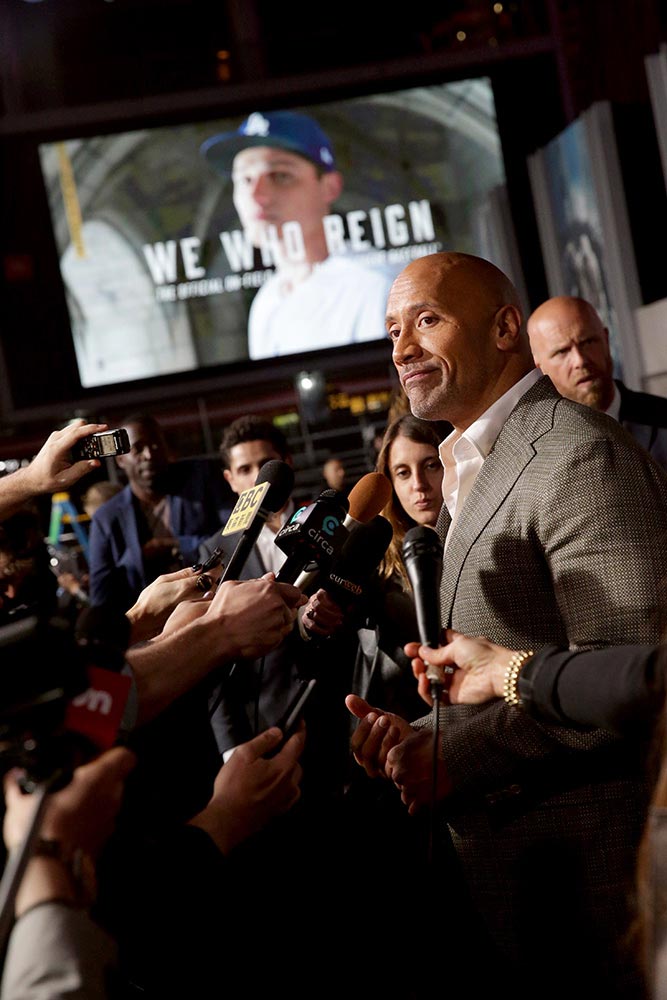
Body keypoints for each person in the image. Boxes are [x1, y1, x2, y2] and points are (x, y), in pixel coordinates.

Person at [346, 250, 667, 999]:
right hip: (520, 881)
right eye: (392, 331)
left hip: (594, 885)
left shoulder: (578, 454)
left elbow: (631, 674)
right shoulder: (471, 462)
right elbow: (506, 655)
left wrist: (458, 756)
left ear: (502, 328)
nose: (401, 349)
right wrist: (420, 734)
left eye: (426, 320)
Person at [201, 109, 397, 360]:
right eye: (245, 179)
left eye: (281, 175)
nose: (257, 196)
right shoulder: (267, 301)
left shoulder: (377, 286)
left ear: (329, 187)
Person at [87, 414, 224, 613]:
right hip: (150, 621)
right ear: (121, 459)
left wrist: (176, 545)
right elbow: (101, 598)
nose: (149, 455)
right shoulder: (106, 519)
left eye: (155, 445)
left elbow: (231, 536)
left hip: (213, 604)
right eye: (138, 449)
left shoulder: (201, 478)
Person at [527, 294, 667, 470]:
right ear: (539, 367)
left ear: (606, 340)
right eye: (562, 352)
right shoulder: (537, 457)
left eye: (588, 342)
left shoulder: (662, 419)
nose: (580, 361)